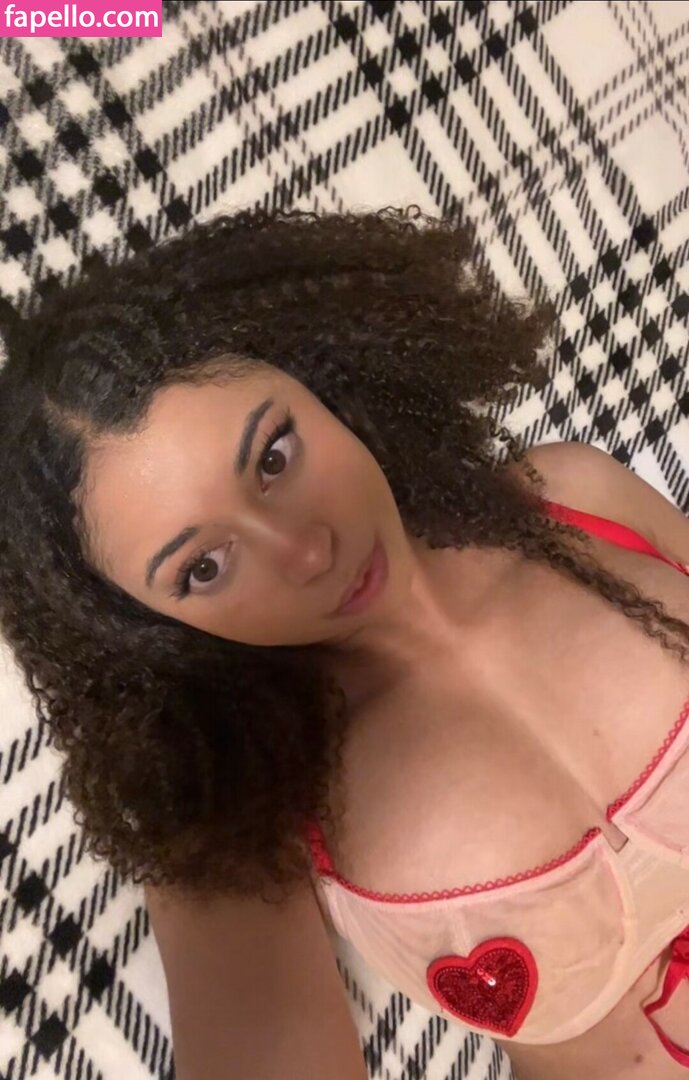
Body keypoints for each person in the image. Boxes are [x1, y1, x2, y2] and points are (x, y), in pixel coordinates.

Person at [0, 204, 688, 1080]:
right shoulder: (235, 797)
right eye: (204, 567)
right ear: (141, 629)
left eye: (274, 457)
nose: (307, 550)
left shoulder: (574, 498)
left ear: (322, 376)